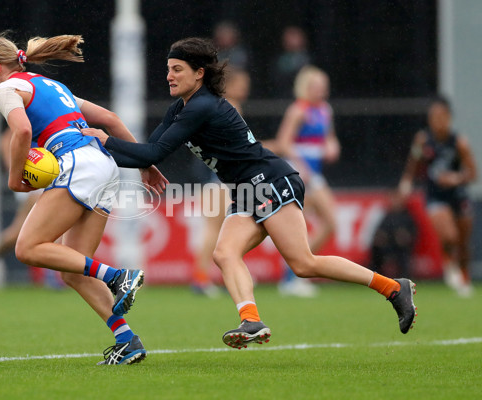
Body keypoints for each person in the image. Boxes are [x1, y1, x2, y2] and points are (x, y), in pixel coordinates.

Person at [85, 37, 417, 349]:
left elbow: (151, 154)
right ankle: (251, 321)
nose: (168, 75)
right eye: (168, 68)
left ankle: (392, 288)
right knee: (225, 253)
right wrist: (108, 149)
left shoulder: (201, 107)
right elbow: (147, 151)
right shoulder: (181, 108)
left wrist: (104, 142)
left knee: (302, 263)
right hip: (247, 188)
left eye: (177, 69)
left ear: (199, 73)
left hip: (269, 180)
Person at [0, 32, 168, 365]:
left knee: (27, 247)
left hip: (77, 163)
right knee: (73, 269)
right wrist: (144, 164)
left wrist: (14, 177)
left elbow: (20, 131)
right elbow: (110, 119)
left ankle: (118, 276)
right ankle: (127, 340)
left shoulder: (7, 89)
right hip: (104, 166)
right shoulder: (51, 86)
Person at [270, 66, 340, 297]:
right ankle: (294, 275)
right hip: (299, 174)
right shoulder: (298, 110)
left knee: (328, 224)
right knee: (318, 222)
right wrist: (300, 164)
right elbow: (283, 143)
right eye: (317, 86)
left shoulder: (325, 110)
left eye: (324, 86)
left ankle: (293, 272)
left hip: (315, 174)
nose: (321, 91)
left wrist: (331, 146)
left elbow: (329, 139)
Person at [398, 97, 477, 297]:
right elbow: (414, 162)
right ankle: (448, 263)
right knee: (449, 235)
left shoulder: (459, 143)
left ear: (449, 118)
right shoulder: (423, 140)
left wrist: (456, 178)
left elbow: (473, 173)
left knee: (463, 241)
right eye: (433, 117)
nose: (437, 121)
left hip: (458, 194)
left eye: (441, 117)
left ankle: (464, 277)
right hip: (434, 195)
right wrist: (406, 182)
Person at [191, 68, 250, 297]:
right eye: (242, 83)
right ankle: (205, 277)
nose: (246, 88)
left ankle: (206, 276)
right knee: (217, 230)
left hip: (211, 176)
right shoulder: (230, 105)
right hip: (221, 179)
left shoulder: (211, 104)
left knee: (215, 230)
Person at [0, 128, 43, 287]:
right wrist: (14, 167)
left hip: (48, 177)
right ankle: (52, 276)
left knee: (18, 232)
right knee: (44, 226)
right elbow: (6, 139)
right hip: (33, 179)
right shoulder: (31, 115)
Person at [269, 26, 311, 97]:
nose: (291, 40)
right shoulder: (278, 60)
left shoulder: (309, 59)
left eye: (294, 36)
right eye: (289, 37)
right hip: (282, 97)